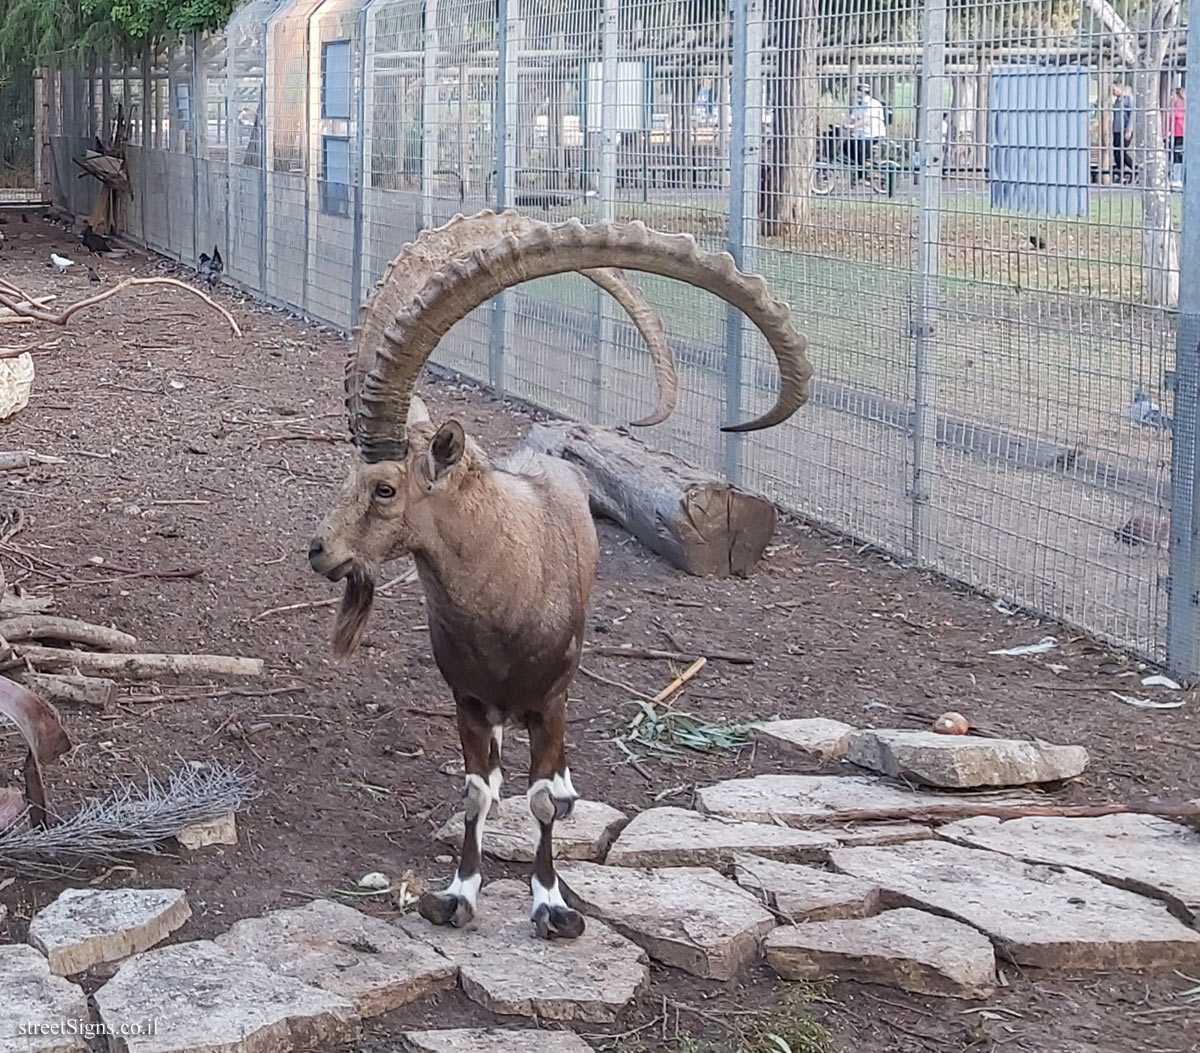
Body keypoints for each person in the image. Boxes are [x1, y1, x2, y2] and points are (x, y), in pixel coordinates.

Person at [843, 83, 887, 184]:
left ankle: (863, 176)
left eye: (857, 91)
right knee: (847, 147)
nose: (856, 94)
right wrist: (844, 124)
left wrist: (853, 126)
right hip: (860, 134)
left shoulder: (873, 104)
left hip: (871, 134)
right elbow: (852, 118)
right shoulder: (858, 104)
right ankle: (859, 172)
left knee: (860, 151)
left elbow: (867, 119)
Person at [1111, 82, 1133, 184]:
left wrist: (1129, 129)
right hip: (1116, 130)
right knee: (1116, 153)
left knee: (1122, 152)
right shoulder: (1116, 101)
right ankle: (1121, 173)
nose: (1113, 92)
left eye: (1114, 89)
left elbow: (1132, 115)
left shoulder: (1128, 100)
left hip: (1124, 129)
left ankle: (1134, 169)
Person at [1168, 87, 1185, 188]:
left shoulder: (1183, 106)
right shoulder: (1172, 106)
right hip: (1174, 133)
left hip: (1181, 133)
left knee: (1179, 155)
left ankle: (1179, 177)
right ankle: (1175, 176)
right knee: (1173, 155)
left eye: (1173, 95)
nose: (1171, 97)